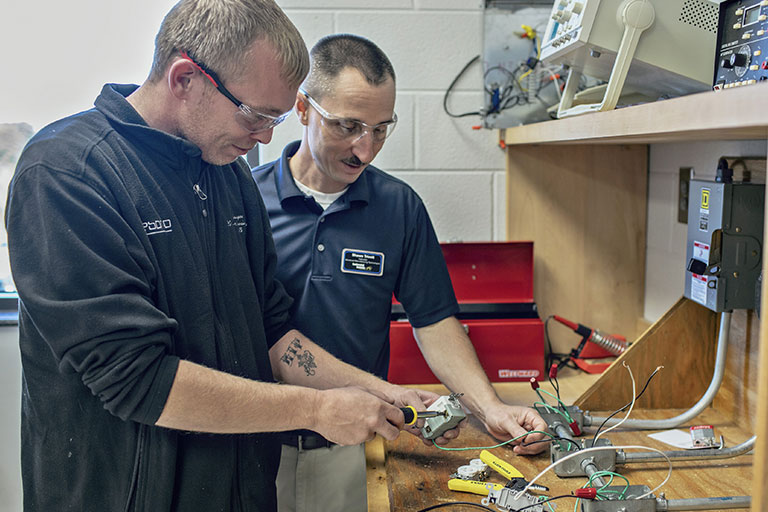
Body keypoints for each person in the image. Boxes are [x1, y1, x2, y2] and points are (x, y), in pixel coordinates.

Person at [5, 3, 452, 511]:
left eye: (276, 119)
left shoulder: (225, 173)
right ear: (185, 79)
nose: (266, 137)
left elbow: (273, 333)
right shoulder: (69, 173)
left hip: (237, 491)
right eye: (255, 115)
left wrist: (381, 392)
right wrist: (318, 409)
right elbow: (139, 379)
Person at [252, 33, 550, 512]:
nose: (364, 149)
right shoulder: (246, 201)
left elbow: (434, 322)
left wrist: (489, 408)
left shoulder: (398, 207)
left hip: (352, 448)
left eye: (380, 129)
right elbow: (266, 336)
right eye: (347, 126)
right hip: (256, 445)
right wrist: (391, 392)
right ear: (303, 109)